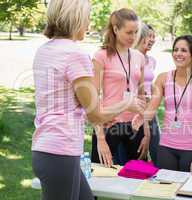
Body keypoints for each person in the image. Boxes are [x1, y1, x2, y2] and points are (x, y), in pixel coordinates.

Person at [31, 1, 145, 200]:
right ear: (75, 18)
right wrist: (127, 103)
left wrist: (93, 114)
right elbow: (96, 114)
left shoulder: (44, 50)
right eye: (87, 17)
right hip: (60, 151)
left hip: (46, 148)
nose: (88, 23)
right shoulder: (75, 54)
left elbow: (65, 100)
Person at [132, 35, 192, 173]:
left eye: (183, 50)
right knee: (165, 189)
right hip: (166, 146)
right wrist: (142, 116)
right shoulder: (163, 78)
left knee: (188, 191)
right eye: (175, 50)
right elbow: (152, 107)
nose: (178, 53)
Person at [91, 8, 150, 167]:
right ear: (116, 29)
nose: (133, 37)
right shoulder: (101, 56)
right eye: (129, 32)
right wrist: (101, 139)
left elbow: (142, 96)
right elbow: (93, 99)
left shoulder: (139, 57)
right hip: (109, 125)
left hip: (134, 126)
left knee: (136, 179)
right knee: (100, 178)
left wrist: (146, 132)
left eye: (136, 32)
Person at [135, 23, 160, 166]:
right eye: (149, 36)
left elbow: (151, 84)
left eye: (154, 37)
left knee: (155, 146)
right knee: (139, 149)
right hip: (136, 108)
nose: (152, 39)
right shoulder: (132, 57)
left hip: (150, 108)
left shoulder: (152, 61)